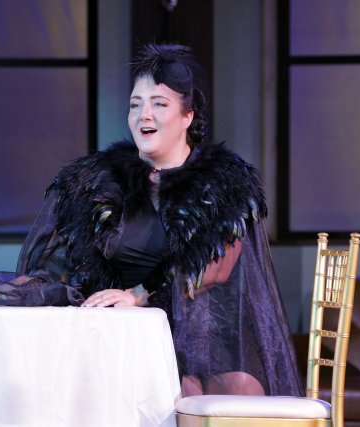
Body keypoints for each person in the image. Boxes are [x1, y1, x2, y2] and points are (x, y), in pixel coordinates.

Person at [16, 44, 303, 397]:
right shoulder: (98, 181)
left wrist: (139, 294)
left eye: (159, 104)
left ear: (187, 116)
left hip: (199, 340)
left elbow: (213, 268)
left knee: (232, 387)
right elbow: (56, 258)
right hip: (122, 340)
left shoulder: (223, 181)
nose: (144, 115)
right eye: (135, 104)